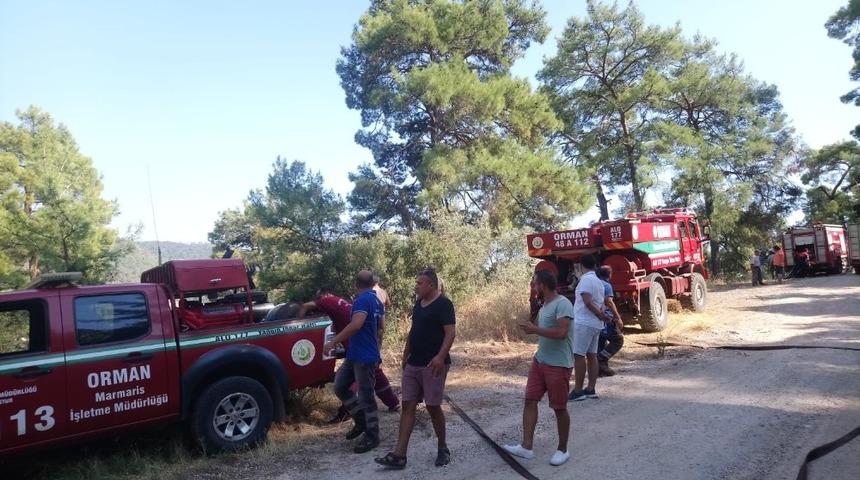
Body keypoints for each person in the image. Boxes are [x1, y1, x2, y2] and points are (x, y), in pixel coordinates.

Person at [375, 268, 456, 470]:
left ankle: (442, 447)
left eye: (420, 283)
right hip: (414, 363)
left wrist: (439, 357)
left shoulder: (444, 304)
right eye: (417, 282)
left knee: (433, 406)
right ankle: (399, 455)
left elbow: (450, 333)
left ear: (430, 284)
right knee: (408, 406)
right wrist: (405, 353)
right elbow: (414, 330)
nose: (416, 286)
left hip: (433, 365)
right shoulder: (419, 303)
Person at [502, 269, 574, 467]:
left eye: (535, 283)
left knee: (559, 408)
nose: (533, 286)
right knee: (530, 400)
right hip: (540, 360)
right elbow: (544, 331)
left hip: (558, 365)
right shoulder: (544, 306)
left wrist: (534, 330)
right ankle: (526, 447)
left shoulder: (563, 304)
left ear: (542, 284)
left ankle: (562, 449)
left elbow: (561, 332)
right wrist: (531, 328)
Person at [298, 289, 399, 422]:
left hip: (358, 345)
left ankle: (348, 411)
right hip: (368, 341)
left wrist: (299, 328)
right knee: (375, 372)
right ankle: (393, 402)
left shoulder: (327, 300)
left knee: (354, 377)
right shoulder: (342, 303)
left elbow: (305, 306)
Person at [323, 270, 384, 454]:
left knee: (366, 396)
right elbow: (382, 328)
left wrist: (333, 341)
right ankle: (361, 421)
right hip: (355, 354)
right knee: (340, 386)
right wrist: (376, 347)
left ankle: (372, 435)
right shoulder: (376, 300)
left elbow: (357, 324)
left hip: (364, 357)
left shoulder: (362, 300)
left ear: (356, 284)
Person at [569, 254, 610, 402]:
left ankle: (578, 390)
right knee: (592, 356)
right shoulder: (599, 282)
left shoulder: (586, 280)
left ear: (581, 266)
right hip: (595, 324)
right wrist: (601, 315)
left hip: (584, 322)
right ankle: (591, 388)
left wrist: (599, 314)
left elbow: (586, 301)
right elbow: (601, 302)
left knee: (579, 355)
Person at [596, 266, 625, 377]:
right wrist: (617, 317)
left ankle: (601, 370)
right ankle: (601, 359)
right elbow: (609, 301)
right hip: (606, 319)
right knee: (618, 340)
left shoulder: (594, 284)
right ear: (610, 274)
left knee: (601, 343)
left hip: (596, 318)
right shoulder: (606, 285)